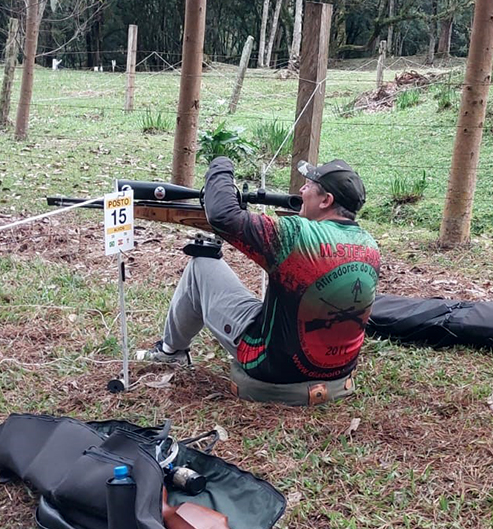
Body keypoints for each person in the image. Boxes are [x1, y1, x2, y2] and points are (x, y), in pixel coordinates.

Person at [140, 156, 381, 406]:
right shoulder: (369, 245)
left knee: (202, 264)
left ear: (326, 200)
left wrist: (221, 165)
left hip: (270, 366)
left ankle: (171, 352)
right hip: (337, 372)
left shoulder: (297, 235)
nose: (302, 189)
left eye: (309, 185)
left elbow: (222, 215)